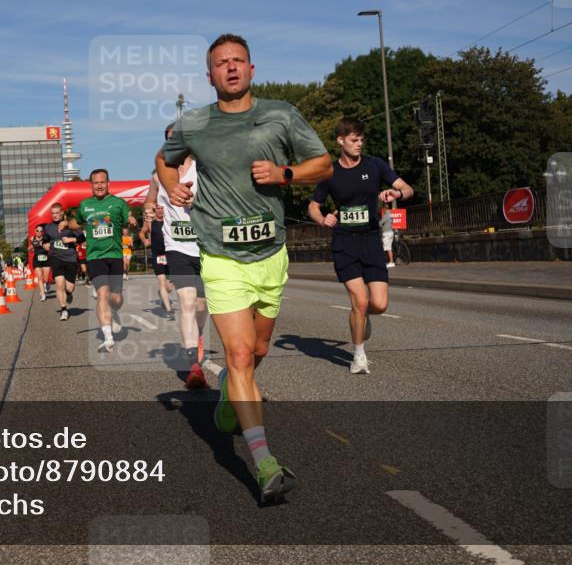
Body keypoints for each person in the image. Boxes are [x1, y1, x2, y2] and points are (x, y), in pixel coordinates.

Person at [157, 33, 333, 504]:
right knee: (237, 357)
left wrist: (285, 174)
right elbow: (164, 158)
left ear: (252, 69)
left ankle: (227, 399)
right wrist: (173, 186)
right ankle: (264, 464)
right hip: (219, 254)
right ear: (209, 75)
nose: (231, 68)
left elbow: (323, 162)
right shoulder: (193, 123)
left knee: (256, 353)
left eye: (238, 61)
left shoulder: (281, 114)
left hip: (271, 254)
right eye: (221, 63)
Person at [308, 117, 414, 375]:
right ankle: (359, 355)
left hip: (370, 241)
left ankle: (363, 318)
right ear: (340, 141)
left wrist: (395, 194)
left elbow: (408, 189)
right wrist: (323, 218)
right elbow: (313, 205)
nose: (359, 144)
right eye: (354, 140)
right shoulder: (330, 173)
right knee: (359, 299)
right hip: (344, 242)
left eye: (361, 140)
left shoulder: (375, 165)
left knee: (379, 304)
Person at [149, 122, 209, 390]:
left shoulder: (203, 170)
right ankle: (192, 365)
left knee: (201, 306)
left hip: (205, 246)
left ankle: (195, 340)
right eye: (169, 141)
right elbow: (149, 201)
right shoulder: (158, 175)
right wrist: (153, 212)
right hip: (177, 247)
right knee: (186, 300)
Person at [75, 169, 137, 352]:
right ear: (91, 184)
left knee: (116, 298)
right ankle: (108, 337)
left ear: (108, 183)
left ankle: (114, 311)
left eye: (103, 182)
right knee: (102, 294)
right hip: (95, 256)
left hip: (115, 255)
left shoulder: (118, 203)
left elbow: (129, 217)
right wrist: (66, 225)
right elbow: (77, 221)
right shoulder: (84, 205)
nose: (99, 186)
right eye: (96, 183)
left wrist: (132, 219)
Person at [43, 203, 85, 321]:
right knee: (59, 284)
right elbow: (46, 237)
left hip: (70, 258)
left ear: (62, 213)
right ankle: (63, 310)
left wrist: (71, 239)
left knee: (69, 288)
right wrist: (45, 244)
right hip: (56, 257)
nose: (54, 215)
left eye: (57, 213)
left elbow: (82, 238)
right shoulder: (49, 227)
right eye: (52, 213)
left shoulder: (70, 225)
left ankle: (69, 293)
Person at [139, 201, 174, 319]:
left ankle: (162, 295)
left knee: (169, 287)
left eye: (162, 208)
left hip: (170, 255)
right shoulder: (150, 223)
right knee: (162, 283)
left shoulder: (170, 221)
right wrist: (144, 240)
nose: (160, 210)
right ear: (155, 210)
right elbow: (141, 233)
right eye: (158, 208)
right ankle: (169, 310)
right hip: (157, 256)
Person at [29, 224, 52, 302]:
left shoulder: (46, 238)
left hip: (46, 259)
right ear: (35, 231)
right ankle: (43, 294)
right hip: (37, 260)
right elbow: (32, 247)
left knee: (45, 278)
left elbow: (48, 246)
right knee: (39, 277)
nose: (39, 232)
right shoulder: (32, 239)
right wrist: (30, 248)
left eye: (41, 231)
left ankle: (47, 283)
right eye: (37, 230)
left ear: (43, 232)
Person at [380, 203, 395, 268]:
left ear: (384, 209)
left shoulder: (386, 215)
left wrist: (380, 225)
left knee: (387, 248)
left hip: (386, 233)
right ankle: (389, 261)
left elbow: (380, 223)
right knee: (389, 247)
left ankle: (391, 262)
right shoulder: (391, 214)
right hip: (391, 232)